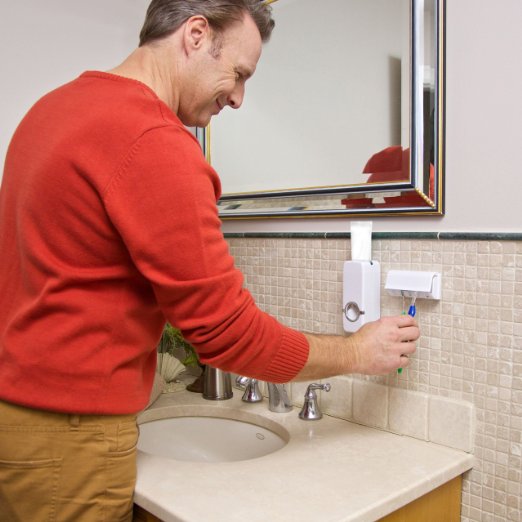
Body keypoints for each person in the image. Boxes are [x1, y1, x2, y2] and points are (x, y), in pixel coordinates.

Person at [0, 1, 419, 520]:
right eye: (239, 73)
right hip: (71, 438)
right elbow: (229, 335)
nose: (240, 98)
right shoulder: (152, 140)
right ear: (196, 34)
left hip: (18, 421)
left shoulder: (52, 111)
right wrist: (357, 353)